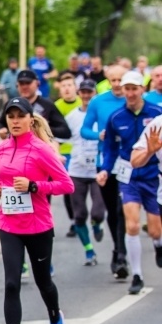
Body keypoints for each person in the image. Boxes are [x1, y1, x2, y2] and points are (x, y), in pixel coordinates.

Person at [0, 98, 74, 324]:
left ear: (30, 119)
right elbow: (2, 180)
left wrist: (34, 186)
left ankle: (55, 318)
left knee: (43, 281)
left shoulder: (42, 150)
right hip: (9, 224)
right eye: (10, 116)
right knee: (12, 282)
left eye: (20, 116)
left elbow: (66, 185)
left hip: (38, 225)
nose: (15, 121)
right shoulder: (1, 149)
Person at [99, 71, 162, 294]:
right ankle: (137, 274)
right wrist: (106, 169)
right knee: (132, 225)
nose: (131, 93)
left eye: (135, 88)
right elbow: (110, 149)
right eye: (127, 88)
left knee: (155, 231)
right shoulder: (116, 117)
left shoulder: (156, 114)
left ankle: (158, 244)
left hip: (154, 176)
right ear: (123, 91)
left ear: (142, 90)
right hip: (129, 175)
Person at [81, 65, 129, 278]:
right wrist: (97, 135)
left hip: (130, 162)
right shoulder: (98, 101)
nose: (118, 84)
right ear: (108, 80)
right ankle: (118, 249)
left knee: (123, 209)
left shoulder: (133, 99)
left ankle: (121, 253)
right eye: (114, 80)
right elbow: (85, 129)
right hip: (106, 162)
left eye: (121, 80)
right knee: (112, 210)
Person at [65, 79, 105, 265]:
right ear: (79, 94)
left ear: (95, 93)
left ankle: (97, 224)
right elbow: (58, 137)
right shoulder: (72, 116)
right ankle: (89, 250)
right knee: (79, 215)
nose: (87, 96)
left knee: (97, 212)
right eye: (84, 92)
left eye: (90, 92)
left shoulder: (101, 115)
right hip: (77, 171)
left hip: (97, 170)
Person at [0, 70, 71, 141]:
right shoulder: (11, 104)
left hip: (40, 149)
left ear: (37, 84)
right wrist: (2, 130)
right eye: (21, 83)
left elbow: (65, 131)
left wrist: (41, 129)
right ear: (17, 85)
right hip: (18, 149)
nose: (24, 86)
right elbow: (1, 123)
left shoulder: (47, 105)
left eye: (28, 83)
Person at [55, 73, 83, 238]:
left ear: (75, 88)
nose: (66, 88)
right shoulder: (56, 106)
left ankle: (82, 215)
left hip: (80, 151)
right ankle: (74, 220)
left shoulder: (83, 104)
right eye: (63, 86)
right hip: (62, 152)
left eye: (69, 85)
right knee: (68, 187)